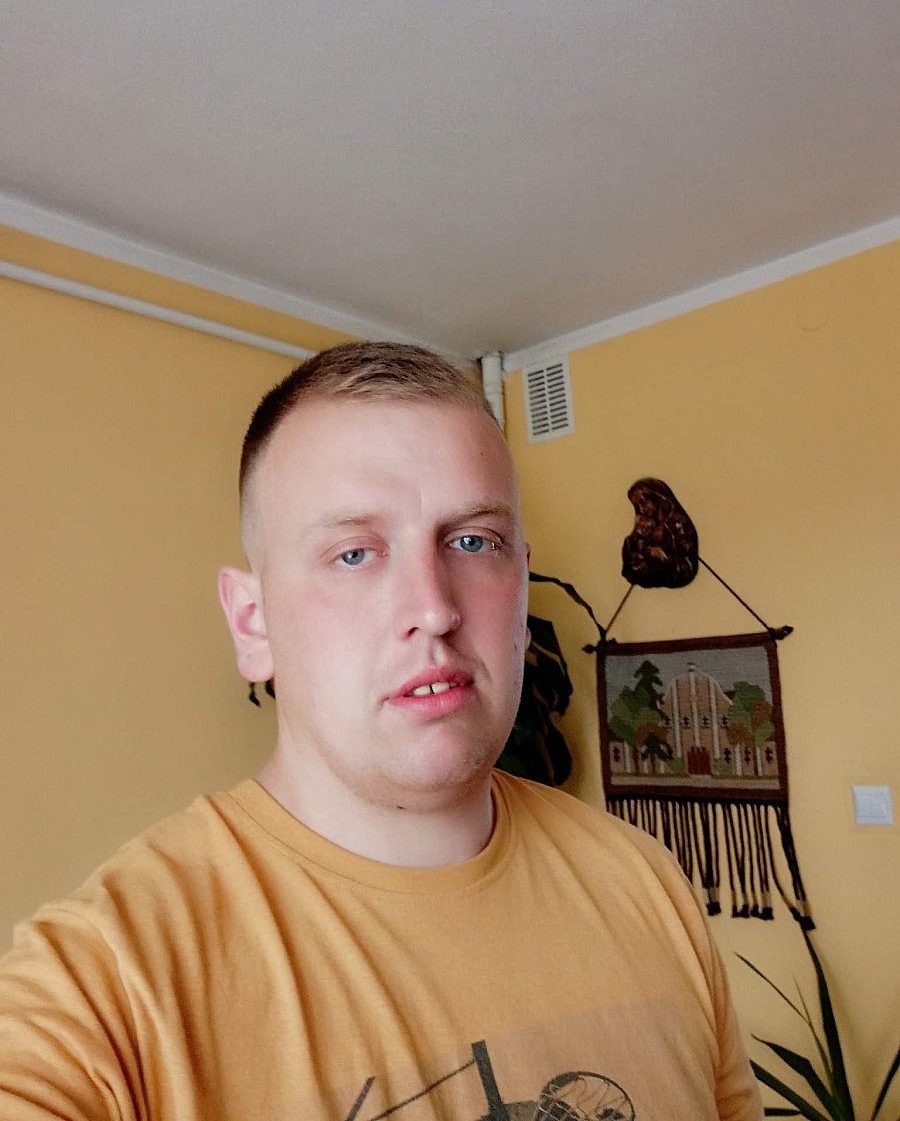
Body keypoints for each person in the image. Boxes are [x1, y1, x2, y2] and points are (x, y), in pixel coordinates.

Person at [0, 342, 762, 1120]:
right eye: (355, 553)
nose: (433, 608)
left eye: (473, 541)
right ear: (253, 623)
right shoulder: (105, 986)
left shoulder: (647, 884)